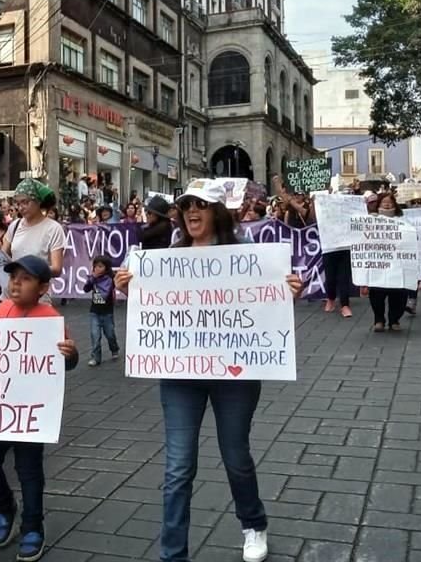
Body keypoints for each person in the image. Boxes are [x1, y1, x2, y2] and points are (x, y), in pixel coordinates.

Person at [113, 179, 303, 562]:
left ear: (218, 211)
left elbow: (264, 299)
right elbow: (160, 304)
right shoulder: (172, 254)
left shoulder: (244, 251)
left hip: (235, 374)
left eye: (200, 205)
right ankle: (172, 553)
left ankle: (253, 524)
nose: (192, 212)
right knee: (178, 466)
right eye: (186, 206)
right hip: (182, 375)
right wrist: (130, 289)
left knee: (235, 455)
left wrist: (288, 289)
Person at [0, 256, 77, 562]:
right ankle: (4, 507)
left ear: (42, 287)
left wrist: (71, 354)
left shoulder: (50, 318)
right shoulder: (2, 310)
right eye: (13, 277)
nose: (15, 282)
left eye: (25, 279)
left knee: (29, 472)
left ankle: (32, 527)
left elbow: (62, 361)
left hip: (31, 412)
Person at [2, 179, 66, 305]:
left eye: (25, 202)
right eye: (17, 203)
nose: (21, 207)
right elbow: (3, 256)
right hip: (10, 297)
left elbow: (57, 269)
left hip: (38, 299)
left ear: (38, 201)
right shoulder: (14, 226)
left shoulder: (53, 229)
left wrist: (28, 271)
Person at [368, 193, 409, 332]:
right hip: (378, 263)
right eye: (383, 202)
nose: (386, 205)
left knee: (398, 293)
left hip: (398, 263)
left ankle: (394, 320)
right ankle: (379, 320)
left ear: (394, 204)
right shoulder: (370, 220)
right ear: (378, 205)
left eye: (389, 202)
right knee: (377, 292)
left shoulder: (403, 220)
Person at [83, 255, 120, 366]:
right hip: (94, 312)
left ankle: (114, 349)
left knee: (110, 334)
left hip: (107, 313)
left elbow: (118, 284)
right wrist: (92, 278)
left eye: (100, 266)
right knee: (95, 335)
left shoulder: (110, 280)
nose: (97, 269)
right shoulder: (92, 279)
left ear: (106, 268)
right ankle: (96, 358)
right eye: (95, 266)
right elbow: (85, 289)